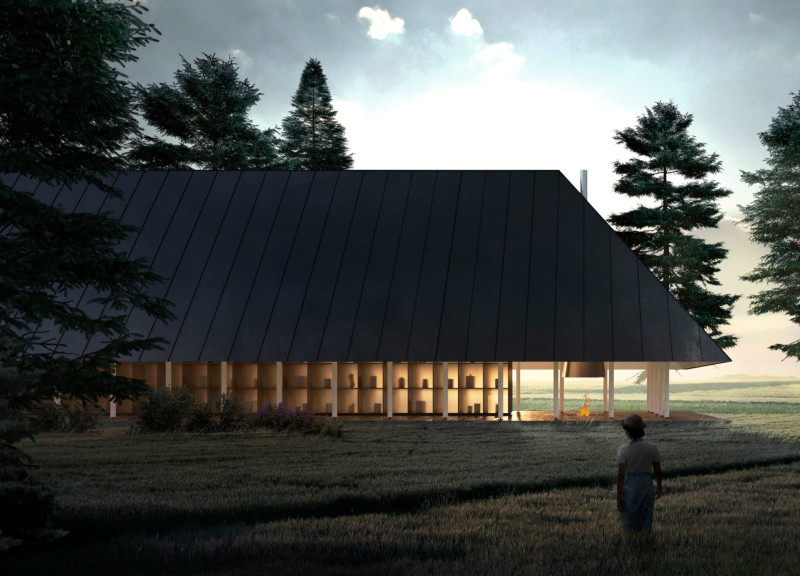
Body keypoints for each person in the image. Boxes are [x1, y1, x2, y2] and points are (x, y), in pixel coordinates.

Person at [616, 413, 662, 533]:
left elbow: (621, 476)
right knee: (646, 515)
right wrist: (659, 488)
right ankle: (645, 541)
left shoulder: (623, 450)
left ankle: (632, 543)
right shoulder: (652, 448)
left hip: (630, 485)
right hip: (647, 484)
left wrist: (618, 497)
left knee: (630, 515)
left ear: (628, 431)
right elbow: (657, 471)